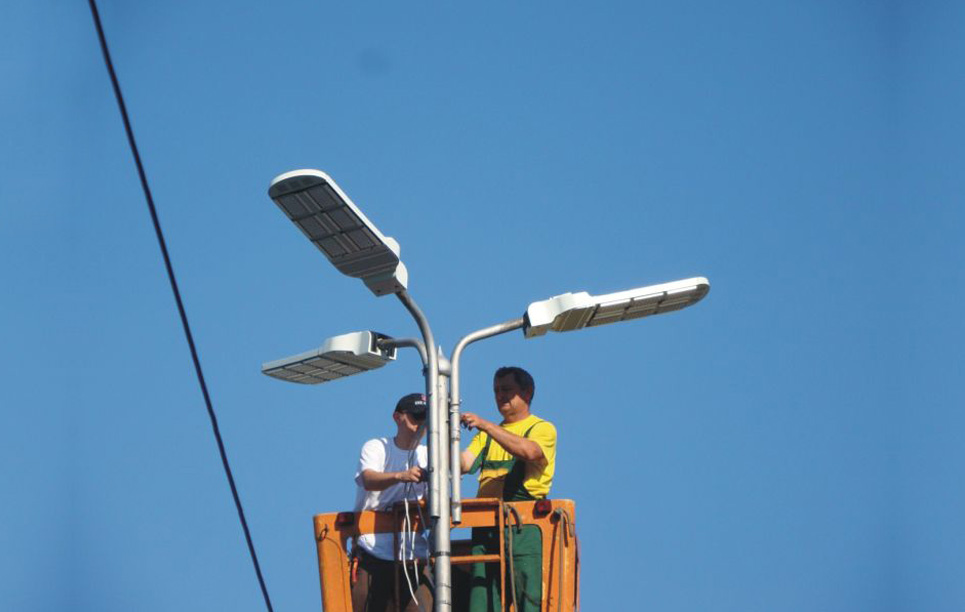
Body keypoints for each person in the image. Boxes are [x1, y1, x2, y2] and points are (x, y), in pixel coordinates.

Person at [460, 367, 557, 612]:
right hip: (486, 525)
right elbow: (464, 463)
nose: (500, 396)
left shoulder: (541, 429)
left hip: (523, 525)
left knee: (528, 596)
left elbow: (530, 452)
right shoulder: (485, 436)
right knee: (482, 596)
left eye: (506, 390)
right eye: (496, 391)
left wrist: (486, 425)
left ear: (527, 393)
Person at [352, 393, 433, 612]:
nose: (421, 424)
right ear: (397, 417)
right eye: (416, 417)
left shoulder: (430, 455)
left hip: (414, 554)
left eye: (426, 418)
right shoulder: (377, 447)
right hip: (374, 550)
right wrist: (400, 476)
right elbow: (368, 479)